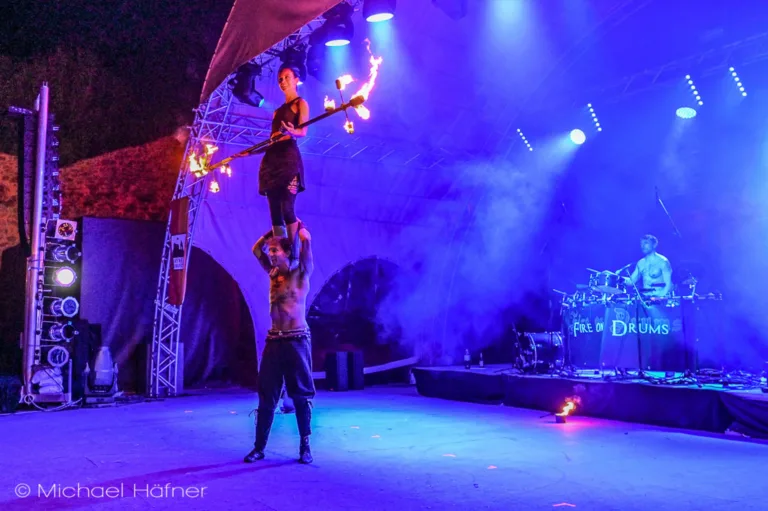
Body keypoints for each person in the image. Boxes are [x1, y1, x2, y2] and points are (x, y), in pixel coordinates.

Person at [245, 222, 315, 464]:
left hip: (297, 339)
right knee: (267, 395)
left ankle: (305, 446)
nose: (271, 254)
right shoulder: (273, 274)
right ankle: (259, 448)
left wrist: (301, 233)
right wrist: (272, 232)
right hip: (274, 340)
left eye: (275, 250)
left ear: (287, 252)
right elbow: (256, 249)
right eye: (271, 251)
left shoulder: (301, 273)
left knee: (300, 395)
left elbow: (306, 245)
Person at [259, 64, 310, 270]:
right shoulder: (277, 112)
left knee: (287, 207)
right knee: (275, 211)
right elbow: (272, 139)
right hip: (272, 161)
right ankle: (280, 255)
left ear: (296, 79)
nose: (283, 81)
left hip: (289, 161)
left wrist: (291, 132)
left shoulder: (300, 103)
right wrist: (251, 152)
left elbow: (303, 132)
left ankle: (294, 255)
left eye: (287, 77)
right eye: (280, 79)